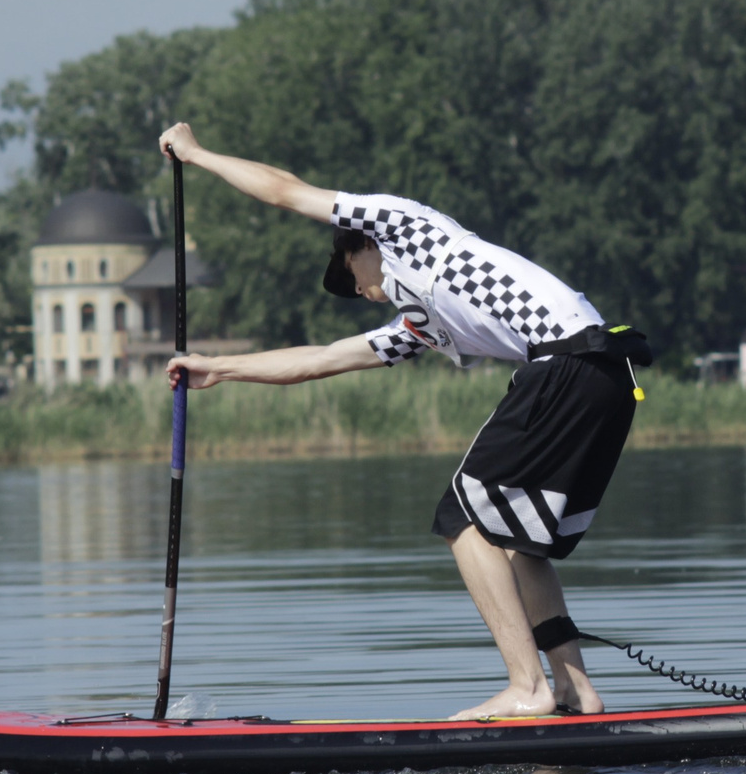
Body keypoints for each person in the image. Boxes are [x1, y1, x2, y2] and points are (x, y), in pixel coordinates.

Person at [157, 123, 651, 721]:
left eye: (349, 276)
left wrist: (197, 154)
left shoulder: (402, 226)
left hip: (568, 362)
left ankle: (527, 688)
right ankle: (576, 693)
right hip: (609, 375)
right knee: (523, 546)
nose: (361, 292)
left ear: (358, 245)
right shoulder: (423, 321)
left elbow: (285, 192)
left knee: (460, 517)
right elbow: (322, 360)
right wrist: (220, 368)